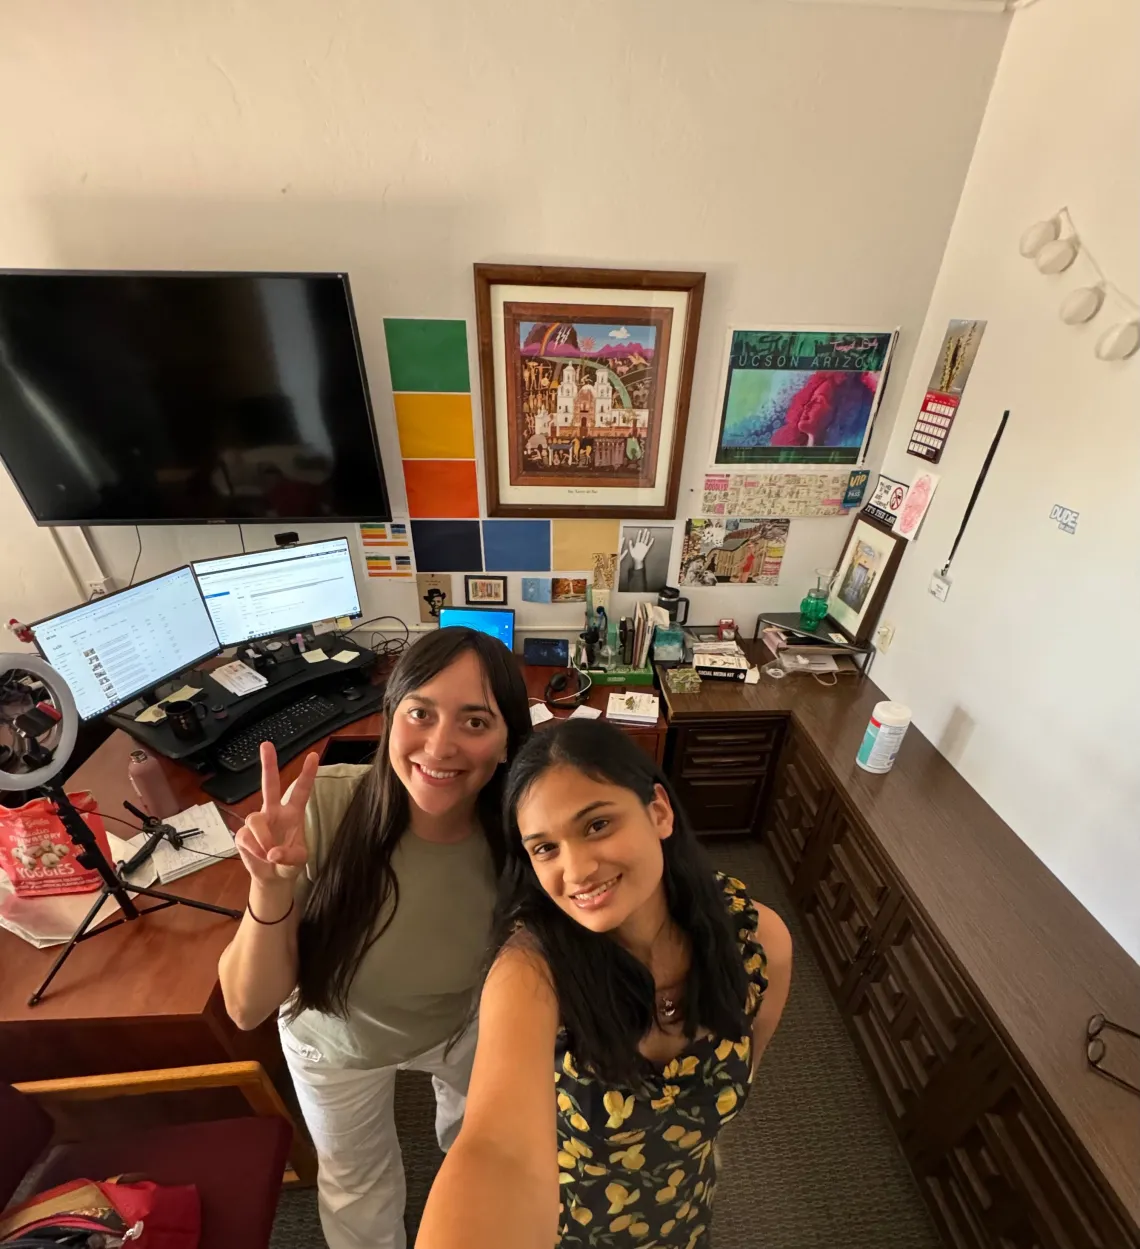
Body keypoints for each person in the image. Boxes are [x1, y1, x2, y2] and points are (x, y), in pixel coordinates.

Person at [418, 719, 793, 1248]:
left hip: (685, 1217)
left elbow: (744, 1072)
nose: (577, 870)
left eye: (596, 825)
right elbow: (496, 1152)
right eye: (545, 848)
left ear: (659, 812)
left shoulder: (759, 943)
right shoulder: (530, 974)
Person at [217, 628, 531, 1249]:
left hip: (459, 1024)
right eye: (421, 713)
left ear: (505, 745)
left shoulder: (521, 835)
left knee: (480, 1153)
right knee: (357, 1188)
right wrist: (271, 888)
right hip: (334, 1040)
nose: (439, 746)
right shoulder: (324, 813)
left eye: (475, 721)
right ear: (391, 717)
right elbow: (247, 1006)